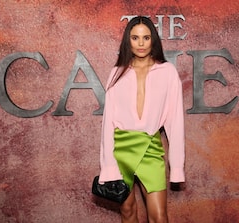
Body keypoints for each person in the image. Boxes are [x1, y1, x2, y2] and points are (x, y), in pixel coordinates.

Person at [98, 16, 185, 223]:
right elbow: (107, 123)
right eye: (135, 38)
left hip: (150, 149)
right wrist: (108, 165)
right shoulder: (117, 73)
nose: (141, 43)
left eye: (146, 37)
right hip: (121, 151)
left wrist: (177, 167)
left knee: (159, 217)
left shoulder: (168, 72)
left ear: (153, 40)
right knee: (127, 212)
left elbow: (176, 123)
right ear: (128, 41)